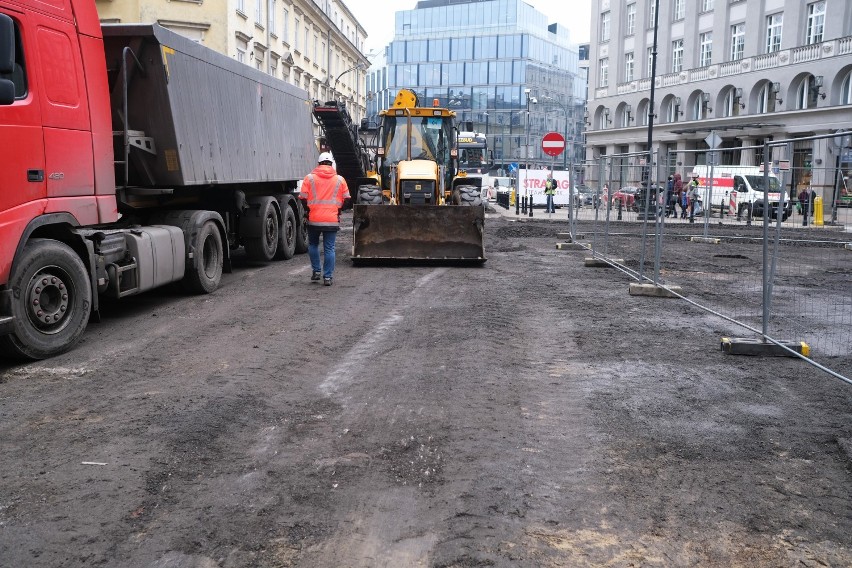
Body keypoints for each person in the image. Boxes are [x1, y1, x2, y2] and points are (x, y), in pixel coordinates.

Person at [299, 152, 350, 286]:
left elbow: (303, 198)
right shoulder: (340, 179)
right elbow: (347, 200)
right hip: (331, 220)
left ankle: (316, 271)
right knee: (329, 248)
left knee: (313, 245)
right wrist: (337, 210)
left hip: (314, 218)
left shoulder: (309, 178)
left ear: (319, 163)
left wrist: (308, 210)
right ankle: (327, 277)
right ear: (331, 164)